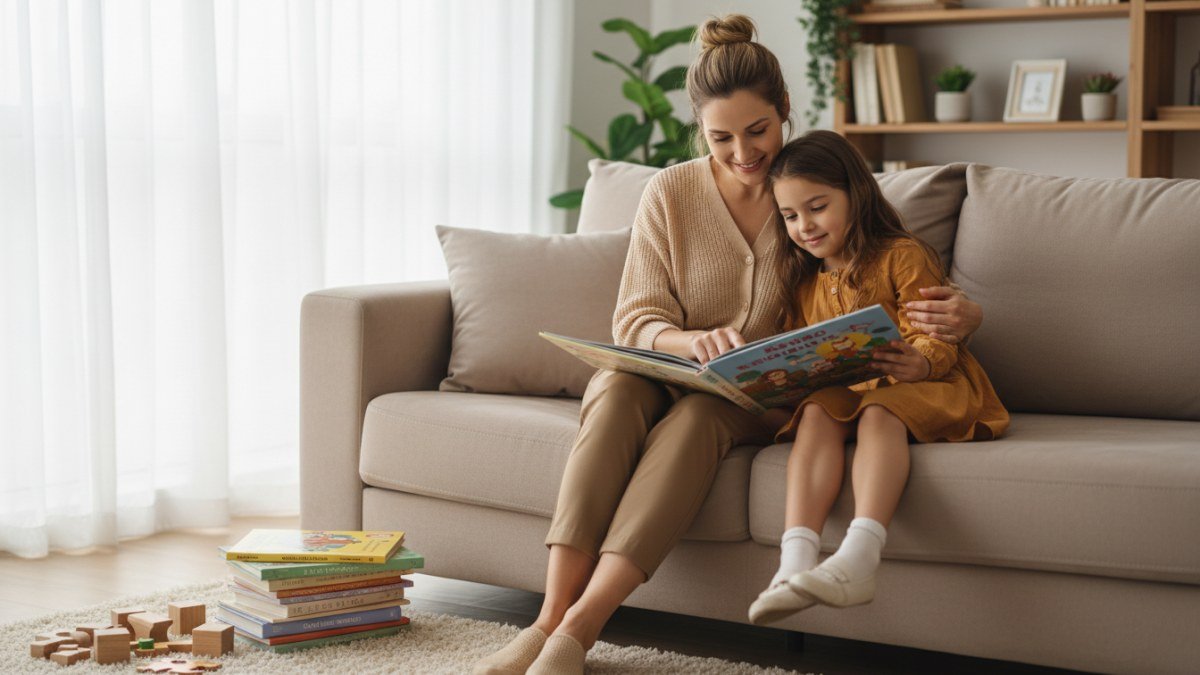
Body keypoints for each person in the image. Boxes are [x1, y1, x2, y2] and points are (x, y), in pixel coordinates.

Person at [472, 15, 983, 675]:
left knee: (697, 419)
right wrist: (687, 340)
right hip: (670, 366)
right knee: (616, 387)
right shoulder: (669, 192)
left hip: (753, 395)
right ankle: (546, 616)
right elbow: (637, 315)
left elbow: (881, 269)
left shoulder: (809, 192)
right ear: (700, 131)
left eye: (758, 132)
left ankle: (581, 625)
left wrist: (963, 314)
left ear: (785, 112)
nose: (743, 154)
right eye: (721, 139)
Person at [747, 130, 1009, 626]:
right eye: (790, 216)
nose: (804, 226)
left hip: (932, 384)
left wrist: (923, 360)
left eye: (817, 207)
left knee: (879, 409)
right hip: (853, 389)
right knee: (820, 409)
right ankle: (794, 563)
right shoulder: (802, 277)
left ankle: (860, 558)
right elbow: (798, 342)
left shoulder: (900, 255)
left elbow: (938, 332)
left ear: (855, 192)